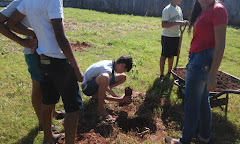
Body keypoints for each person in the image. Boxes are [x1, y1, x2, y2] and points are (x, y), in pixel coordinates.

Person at [7, 0, 84, 143]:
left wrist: (36, 33)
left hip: (43, 60)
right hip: (59, 62)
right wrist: (76, 68)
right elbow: (60, 37)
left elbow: (11, 23)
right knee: (72, 110)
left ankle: (48, 138)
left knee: (48, 101)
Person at [165, 0, 228, 143]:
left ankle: (184, 141)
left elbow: (220, 44)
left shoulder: (217, 9)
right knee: (202, 102)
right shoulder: (204, 11)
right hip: (198, 59)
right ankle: (204, 137)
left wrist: (213, 74)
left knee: (191, 103)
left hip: (202, 62)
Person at [0, 0, 65, 132]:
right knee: (38, 86)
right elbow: (3, 21)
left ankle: (52, 113)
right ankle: (43, 123)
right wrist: (23, 40)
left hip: (48, 51)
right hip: (35, 51)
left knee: (50, 84)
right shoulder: (22, 1)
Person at [81, 55, 133, 123]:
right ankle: (101, 109)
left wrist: (116, 97)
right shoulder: (107, 70)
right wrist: (119, 100)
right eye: (123, 70)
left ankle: (98, 94)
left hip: (97, 81)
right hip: (87, 88)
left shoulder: (111, 64)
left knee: (122, 77)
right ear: (122, 65)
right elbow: (105, 88)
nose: (121, 72)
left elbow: (107, 86)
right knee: (105, 78)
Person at [160, 0, 188, 81]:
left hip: (176, 36)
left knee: (172, 55)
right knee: (164, 55)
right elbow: (163, 25)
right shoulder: (167, 9)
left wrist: (184, 22)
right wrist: (176, 23)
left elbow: (180, 21)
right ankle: (161, 74)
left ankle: (169, 71)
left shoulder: (179, 9)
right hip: (167, 36)